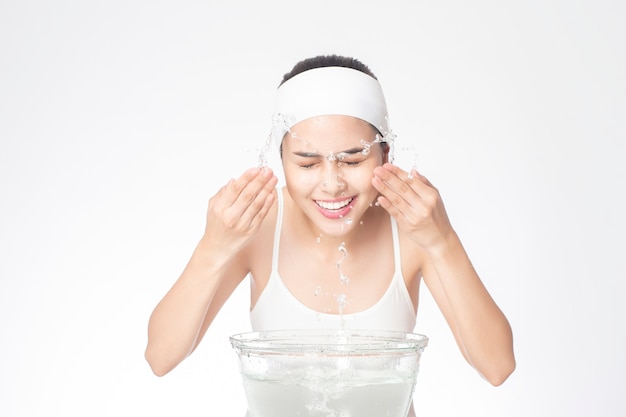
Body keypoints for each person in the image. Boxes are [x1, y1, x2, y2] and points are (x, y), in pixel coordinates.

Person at [145, 55, 515, 401]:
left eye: (353, 159)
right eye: (307, 164)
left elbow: (497, 367)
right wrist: (213, 247)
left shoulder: (411, 228)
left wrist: (442, 241)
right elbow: (161, 357)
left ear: (385, 155)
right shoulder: (260, 224)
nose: (332, 184)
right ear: (282, 161)